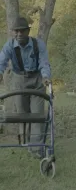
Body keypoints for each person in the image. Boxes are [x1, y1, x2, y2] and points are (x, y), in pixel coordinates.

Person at [0, 16, 51, 159]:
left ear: (28, 31)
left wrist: (46, 76)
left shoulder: (38, 44)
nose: (19, 34)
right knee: (22, 115)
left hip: (36, 80)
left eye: (22, 31)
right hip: (18, 80)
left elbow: (44, 62)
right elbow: (1, 61)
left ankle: (36, 149)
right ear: (13, 33)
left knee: (37, 116)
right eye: (16, 32)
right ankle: (25, 142)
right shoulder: (9, 46)